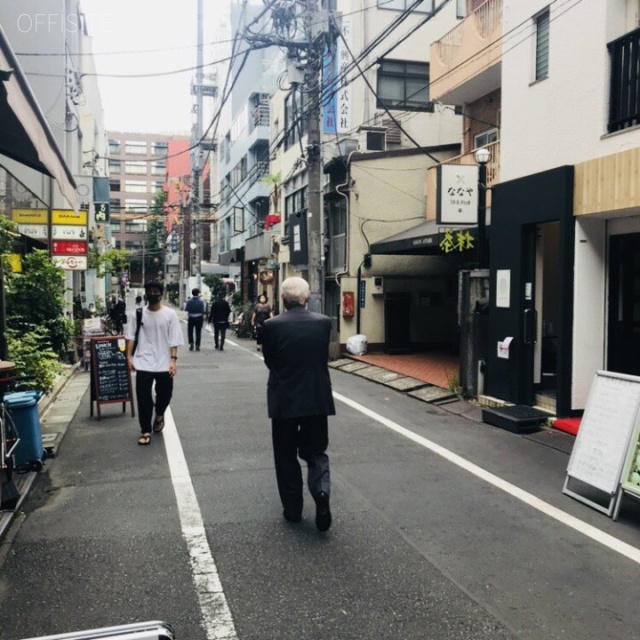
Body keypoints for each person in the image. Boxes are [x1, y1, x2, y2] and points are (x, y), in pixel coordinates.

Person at [262, 277, 335, 531]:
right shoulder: (324, 323)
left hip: (284, 400)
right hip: (316, 397)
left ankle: (293, 510)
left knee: (285, 455)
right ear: (307, 299)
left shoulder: (271, 325)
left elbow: (269, 360)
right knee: (316, 451)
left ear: (282, 299)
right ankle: (321, 493)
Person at [125, 281, 184, 446]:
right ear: (145, 294)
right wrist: (129, 357)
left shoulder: (170, 314)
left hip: (164, 362)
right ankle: (145, 430)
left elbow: (174, 339)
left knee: (165, 394)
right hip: (143, 361)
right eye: (149, 291)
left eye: (155, 291)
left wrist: (173, 360)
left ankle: (159, 415)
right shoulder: (138, 314)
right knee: (143, 398)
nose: (152, 294)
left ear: (161, 294)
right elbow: (130, 337)